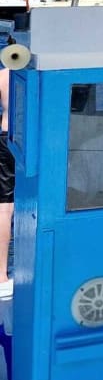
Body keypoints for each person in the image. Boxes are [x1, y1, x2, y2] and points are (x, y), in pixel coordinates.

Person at [0, 67, 12, 298]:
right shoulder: (46, 70)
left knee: (4, 208)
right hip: (43, 140)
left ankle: (1, 274)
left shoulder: (4, 75)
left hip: (7, 136)